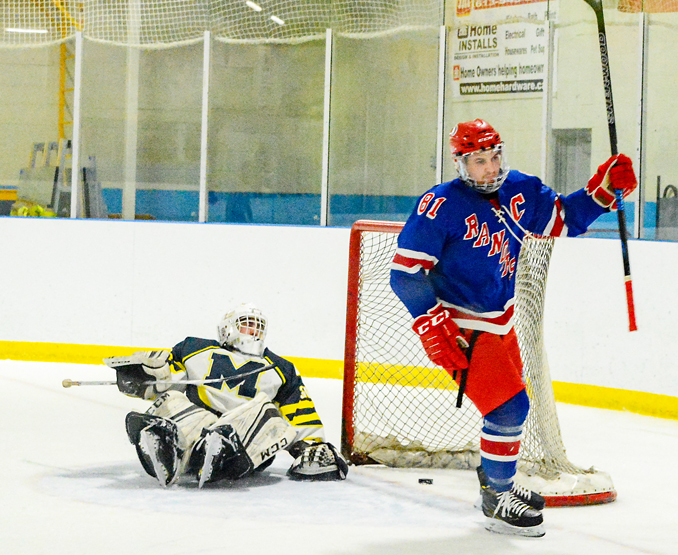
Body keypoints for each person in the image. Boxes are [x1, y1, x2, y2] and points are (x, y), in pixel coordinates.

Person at [390, 119, 637, 537]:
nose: (490, 168)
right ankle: (498, 496)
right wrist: (430, 322)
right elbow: (405, 273)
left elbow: (564, 219)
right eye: (479, 161)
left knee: (510, 406)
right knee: (508, 408)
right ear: (460, 164)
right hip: (462, 326)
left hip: (502, 322)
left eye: (494, 156)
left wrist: (602, 191)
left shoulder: (521, 189)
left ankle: (495, 482)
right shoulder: (439, 204)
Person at [104, 303, 348, 488]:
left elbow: (300, 410)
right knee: (173, 400)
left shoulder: (281, 369)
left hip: (245, 444)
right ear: (227, 328)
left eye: (258, 326)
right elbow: (167, 381)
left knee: (267, 412)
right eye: (247, 324)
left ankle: (220, 448)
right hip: (199, 428)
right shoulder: (193, 349)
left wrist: (311, 446)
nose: (254, 331)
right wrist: (143, 375)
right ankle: (170, 447)